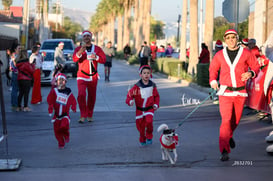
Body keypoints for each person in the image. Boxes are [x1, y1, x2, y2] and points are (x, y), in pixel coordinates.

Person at [209, 29, 260, 161]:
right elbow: (213, 69)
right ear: (225, 40)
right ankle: (224, 150)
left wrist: (250, 73)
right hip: (225, 92)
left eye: (233, 37)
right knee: (225, 120)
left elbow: (255, 66)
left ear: (237, 38)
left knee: (235, 121)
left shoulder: (246, 53)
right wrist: (213, 81)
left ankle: (229, 136)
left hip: (240, 92)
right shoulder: (219, 55)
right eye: (228, 38)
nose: (231, 40)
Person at [72, 30, 106, 123]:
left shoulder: (97, 49)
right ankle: (83, 114)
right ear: (82, 38)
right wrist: (80, 52)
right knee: (81, 95)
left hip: (93, 76)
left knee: (92, 96)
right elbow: (74, 59)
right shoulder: (79, 48)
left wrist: (96, 57)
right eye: (84, 36)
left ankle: (90, 114)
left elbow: (103, 60)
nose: (86, 38)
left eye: (88, 36)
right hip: (81, 75)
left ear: (91, 38)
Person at [126, 65, 160, 146]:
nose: (146, 75)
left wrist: (156, 104)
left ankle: (149, 135)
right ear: (140, 75)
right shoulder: (136, 87)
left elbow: (156, 96)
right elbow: (129, 95)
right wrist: (130, 101)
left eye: (148, 73)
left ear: (150, 74)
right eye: (144, 73)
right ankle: (142, 138)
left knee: (149, 122)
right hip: (139, 110)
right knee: (140, 127)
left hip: (149, 109)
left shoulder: (152, 86)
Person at [47, 73, 77, 149]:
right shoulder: (54, 91)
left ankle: (66, 134)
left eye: (63, 80)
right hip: (56, 116)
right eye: (59, 80)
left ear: (66, 82)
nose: (61, 82)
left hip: (65, 115)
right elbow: (50, 100)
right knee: (57, 130)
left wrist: (73, 107)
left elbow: (73, 100)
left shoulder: (68, 92)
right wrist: (50, 109)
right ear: (56, 82)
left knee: (63, 126)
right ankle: (61, 142)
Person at [10, 45, 20, 110]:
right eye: (18, 48)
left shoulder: (16, 56)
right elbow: (14, 65)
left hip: (16, 73)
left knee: (16, 89)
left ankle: (15, 104)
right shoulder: (14, 56)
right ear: (15, 49)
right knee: (15, 89)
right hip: (15, 74)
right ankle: (15, 104)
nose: (20, 49)